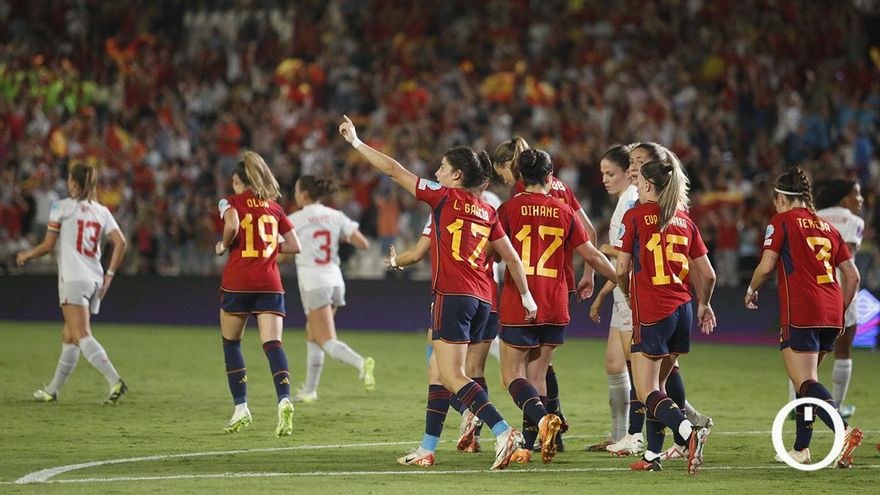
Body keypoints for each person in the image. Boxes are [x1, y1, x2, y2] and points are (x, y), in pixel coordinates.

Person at [339, 115, 533, 471]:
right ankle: (427, 449)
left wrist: (356, 142)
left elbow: (394, 170)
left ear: (457, 175)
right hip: (483, 299)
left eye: (442, 167)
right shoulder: (488, 211)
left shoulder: (443, 197)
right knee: (438, 373)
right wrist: (526, 297)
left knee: (454, 376)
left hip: (453, 295)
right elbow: (512, 258)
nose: (436, 172)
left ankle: (504, 431)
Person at [496, 149, 618, 464]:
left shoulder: (508, 209)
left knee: (511, 375)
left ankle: (543, 421)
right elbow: (592, 254)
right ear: (550, 177)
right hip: (555, 301)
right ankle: (528, 444)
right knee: (537, 376)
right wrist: (621, 279)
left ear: (521, 177)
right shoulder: (564, 211)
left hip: (521, 300)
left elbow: (495, 254)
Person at [746, 167, 863, 468]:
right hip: (831, 312)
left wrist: (751, 289)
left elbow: (767, 265)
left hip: (802, 309)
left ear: (781, 198)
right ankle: (801, 448)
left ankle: (844, 431)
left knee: (805, 381)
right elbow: (852, 276)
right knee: (806, 383)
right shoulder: (828, 228)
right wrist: (840, 310)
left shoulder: (781, 222)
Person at [602, 142, 712, 458]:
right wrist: (704, 304)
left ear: (648, 184)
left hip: (652, 310)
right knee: (660, 386)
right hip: (683, 310)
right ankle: (653, 455)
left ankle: (688, 431)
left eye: (639, 176)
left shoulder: (636, 215)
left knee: (646, 390)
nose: (634, 179)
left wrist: (626, 293)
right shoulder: (685, 220)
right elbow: (709, 274)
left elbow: (621, 269)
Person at [18, 162, 129, 404]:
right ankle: (51, 391)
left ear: (74, 183)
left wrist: (27, 254)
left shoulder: (61, 207)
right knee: (69, 335)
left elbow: (48, 246)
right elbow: (121, 242)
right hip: (95, 279)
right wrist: (109, 275)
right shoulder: (102, 211)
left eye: (70, 179)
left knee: (81, 334)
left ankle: (115, 380)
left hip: (73, 278)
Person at [215, 151, 301, 437]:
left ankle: (241, 408)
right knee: (273, 344)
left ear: (239, 181)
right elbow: (295, 245)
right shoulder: (274, 207)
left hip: (238, 281)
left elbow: (231, 224)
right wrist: (269, 247)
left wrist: (223, 245)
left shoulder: (231, 202)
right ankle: (284, 400)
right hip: (269, 282)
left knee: (231, 344)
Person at [287, 175, 374, 402]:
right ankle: (310, 391)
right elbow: (363, 243)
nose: (295, 195)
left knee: (326, 339)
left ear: (304, 194)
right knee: (312, 333)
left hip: (314, 283)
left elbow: (280, 249)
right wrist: (339, 235)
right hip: (335, 280)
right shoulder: (335, 216)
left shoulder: (294, 219)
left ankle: (361, 363)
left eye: (296, 191)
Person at [585, 144, 638, 451]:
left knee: (644, 373)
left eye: (611, 173)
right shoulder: (623, 201)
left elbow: (626, 255)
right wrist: (603, 295)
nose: (605, 179)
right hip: (620, 292)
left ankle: (691, 423)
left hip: (631, 296)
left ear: (628, 173)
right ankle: (619, 435)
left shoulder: (631, 201)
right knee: (614, 364)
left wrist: (603, 250)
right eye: (602, 173)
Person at [813, 179, 864, 419]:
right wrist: (843, 303)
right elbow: (847, 261)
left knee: (805, 350)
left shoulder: (814, 216)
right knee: (843, 348)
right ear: (845, 198)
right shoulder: (854, 222)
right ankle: (837, 407)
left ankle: (797, 404)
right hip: (840, 288)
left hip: (812, 288)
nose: (861, 199)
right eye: (857, 194)